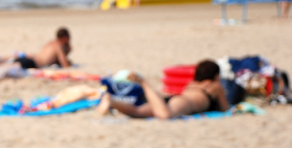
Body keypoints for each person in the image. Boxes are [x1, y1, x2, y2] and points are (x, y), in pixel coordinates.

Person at [97, 60, 230, 119]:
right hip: (184, 103)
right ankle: (143, 82)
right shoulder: (215, 86)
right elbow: (225, 109)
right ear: (216, 75)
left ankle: (111, 101)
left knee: (137, 112)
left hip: (174, 99)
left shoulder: (192, 83)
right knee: (166, 115)